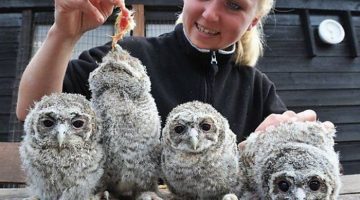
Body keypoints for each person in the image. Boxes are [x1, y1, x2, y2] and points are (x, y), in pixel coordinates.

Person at [16, 0, 320, 142]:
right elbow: (32, 109)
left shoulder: (257, 88)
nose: (211, 13)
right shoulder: (126, 57)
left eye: (233, 5)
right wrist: (63, 34)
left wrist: (287, 132)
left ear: (252, 23)